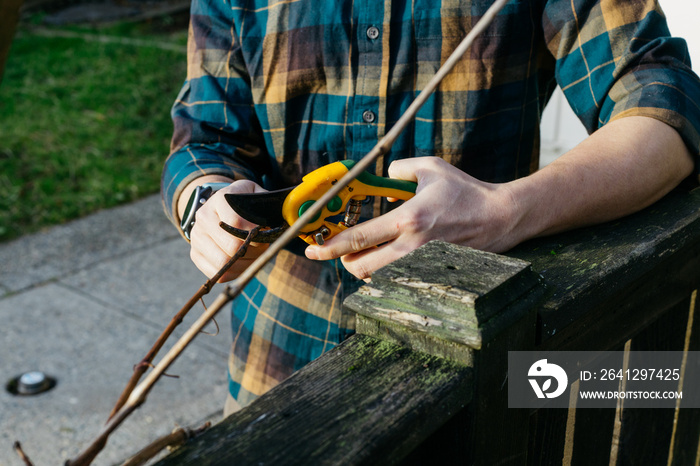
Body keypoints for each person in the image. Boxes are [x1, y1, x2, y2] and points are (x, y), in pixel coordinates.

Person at [162, 0, 700, 414]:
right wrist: (204, 203)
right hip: (279, 359)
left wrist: (506, 208)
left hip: (469, 358)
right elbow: (203, 137)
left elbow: (664, 106)